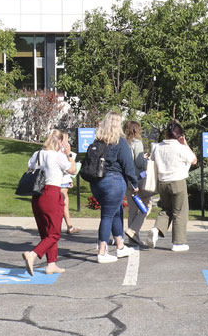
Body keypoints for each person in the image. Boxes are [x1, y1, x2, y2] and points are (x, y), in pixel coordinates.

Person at [21, 129, 76, 276]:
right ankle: (33, 255)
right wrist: (69, 154)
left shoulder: (37, 154)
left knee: (46, 232)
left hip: (37, 195)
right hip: (51, 194)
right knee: (55, 233)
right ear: (59, 142)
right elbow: (73, 170)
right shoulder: (58, 156)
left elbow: (30, 168)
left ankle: (51, 263)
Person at [89, 111, 139, 263]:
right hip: (114, 182)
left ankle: (120, 246)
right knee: (107, 216)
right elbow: (128, 166)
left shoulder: (97, 142)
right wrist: (135, 183)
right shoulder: (120, 142)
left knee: (116, 211)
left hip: (97, 183)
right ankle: (102, 252)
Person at [149, 120, 197, 251]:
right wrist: (185, 144)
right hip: (177, 181)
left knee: (166, 209)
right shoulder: (180, 147)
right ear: (180, 135)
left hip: (162, 182)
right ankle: (178, 243)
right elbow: (194, 160)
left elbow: (152, 160)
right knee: (180, 212)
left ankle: (156, 229)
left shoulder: (158, 147)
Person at [124, 121, 152, 247]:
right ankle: (133, 231)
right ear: (137, 130)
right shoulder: (137, 143)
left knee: (132, 210)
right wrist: (146, 159)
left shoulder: (123, 143)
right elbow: (140, 163)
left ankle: (133, 238)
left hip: (126, 179)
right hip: (137, 179)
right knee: (146, 207)